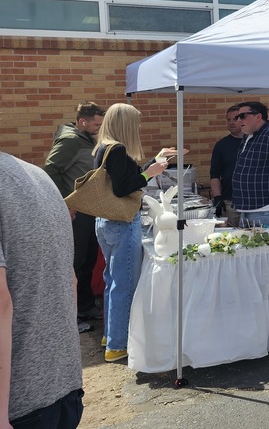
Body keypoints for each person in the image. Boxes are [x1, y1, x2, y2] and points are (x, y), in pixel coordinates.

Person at [0, 151, 84, 429]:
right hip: (65, 387)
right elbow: (70, 280)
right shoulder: (39, 176)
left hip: (18, 404)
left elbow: (2, 303)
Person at [92, 103, 176, 363]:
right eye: (136, 123)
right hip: (121, 221)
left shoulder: (104, 147)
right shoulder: (116, 149)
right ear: (126, 124)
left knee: (113, 281)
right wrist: (149, 173)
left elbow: (126, 178)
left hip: (106, 221)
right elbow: (124, 187)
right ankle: (118, 344)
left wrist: (154, 162)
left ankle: (110, 335)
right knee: (124, 285)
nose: (139, 128)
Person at [43, 101, 105, 330]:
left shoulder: (87, 138)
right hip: (75, 213)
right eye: (96, 124)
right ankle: (70, 318)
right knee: (75, 263)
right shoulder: (69, 141)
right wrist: (64, 203)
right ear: (82, 122)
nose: (99, 127)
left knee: (88, 260)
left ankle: (86, 306)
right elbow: (50, 171)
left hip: (89, 211)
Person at [209, 104, 244, 227]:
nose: (231, 123)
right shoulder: (221, 145)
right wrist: (217, 197)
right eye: (228, 120)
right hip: (230, 201)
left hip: (254, 202)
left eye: (235, 119)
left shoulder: (253, 141)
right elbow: (214, 174)